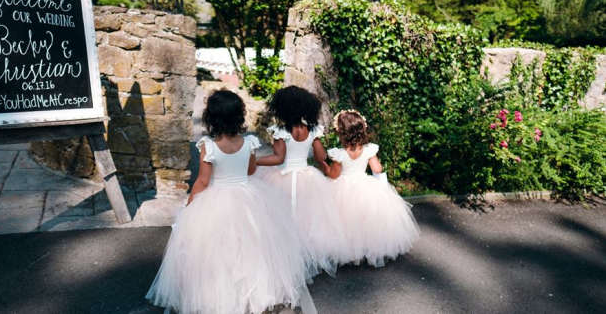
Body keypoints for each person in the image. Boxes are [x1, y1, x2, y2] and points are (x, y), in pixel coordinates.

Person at [146, 90, 316, 314]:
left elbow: (203, 182)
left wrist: (189, 207)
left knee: (220, 249)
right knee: (252, 245)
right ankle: (253, 292)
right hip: (248, 195)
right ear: (239, 116)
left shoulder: (209, 145)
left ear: (212, 117)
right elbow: (251, 169)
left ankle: (222, 296)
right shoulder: (249, 143)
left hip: (218, 196)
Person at [254, 86, 345, 276]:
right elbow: (321, 156)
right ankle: (307, 254)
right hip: (307, 175)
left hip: (284, 175)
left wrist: (256, 160)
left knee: (285, 216)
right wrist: (315, 144)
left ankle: (288, 255)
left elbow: (278, 158)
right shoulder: (311, 129)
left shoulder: (281, 130)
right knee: (309, 218)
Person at [324, 109, 420, 267]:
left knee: (346, 221)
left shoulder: (339, 154)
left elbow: (334, 174)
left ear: (341, 132)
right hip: (364, 184)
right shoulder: (368, 150)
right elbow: (377, 169)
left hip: (344, 187)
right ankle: (366, 248)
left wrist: (324, 167)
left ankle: (350, 251)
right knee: (366, 219)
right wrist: (373, 160)